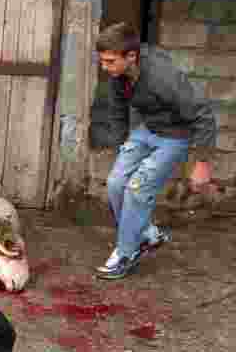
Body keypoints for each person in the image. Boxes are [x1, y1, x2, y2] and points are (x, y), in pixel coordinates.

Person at [91, 22, 217, 280]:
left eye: (109, 61)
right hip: (147, 129)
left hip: (175, 136)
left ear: (131, 57)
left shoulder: (162, 77)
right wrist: (121, 144)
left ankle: (127, 252)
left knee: (137, 189)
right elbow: (117, 109)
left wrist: (202, 162)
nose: (104, 67)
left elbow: (203, 114)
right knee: (116, 183)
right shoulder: (118, 74)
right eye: (102, 61)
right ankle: (147, 233)